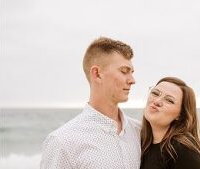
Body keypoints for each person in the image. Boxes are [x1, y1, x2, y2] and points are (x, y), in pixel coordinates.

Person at [40, 37, 140, 169]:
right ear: (97, 74)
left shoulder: (140, 131)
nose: (132, 80)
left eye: (131, 72)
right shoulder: (62, 141)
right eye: (124, 71)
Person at [140, 77, 200, 169]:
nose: (156, 101)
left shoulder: (183, 152)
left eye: (169, 100)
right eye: (155, 93)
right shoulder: (141, 142)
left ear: (180, 115)